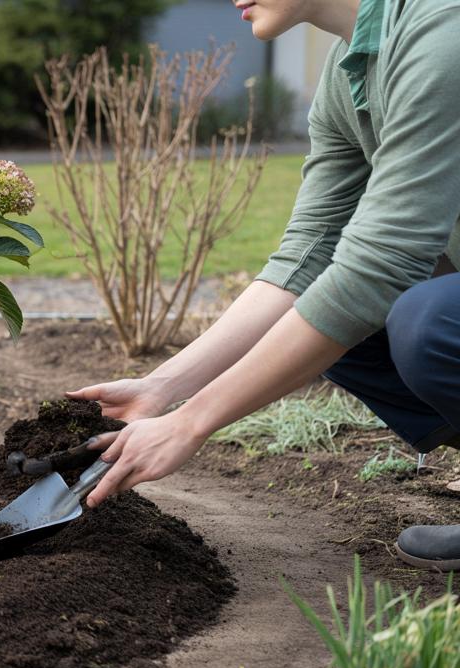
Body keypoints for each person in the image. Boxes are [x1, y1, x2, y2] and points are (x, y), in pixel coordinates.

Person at [69, 0, 460, 571]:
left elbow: (383, 261)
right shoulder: (350, 70)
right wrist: (161, 388)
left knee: (429, 321)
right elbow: (307, 256)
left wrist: (191, 422)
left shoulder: (444, 33)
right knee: (331, 327)